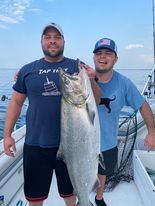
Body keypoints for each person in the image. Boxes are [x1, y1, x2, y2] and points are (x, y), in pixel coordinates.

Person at [3, 22, 100, 206]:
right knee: (35, 198)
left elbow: (96, 99)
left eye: (57, 37)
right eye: (48, 37)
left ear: (64, 41)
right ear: (41, 42)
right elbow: (16, 102)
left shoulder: (78, 66)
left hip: (73, 145)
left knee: (71, 195)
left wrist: (92, 80)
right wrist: (7, 134)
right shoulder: (27, 70)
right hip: (36, 144)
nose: (52, 41)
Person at [90, 37, 155, 206]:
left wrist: (152, 132)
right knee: (78, 172)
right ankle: (79, 199)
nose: (103, 57)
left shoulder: (123, 83)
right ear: (93, 57)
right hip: (83, 143)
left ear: (115, 58)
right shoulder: (83, 78)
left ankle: (99, 197)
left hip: (107, 142)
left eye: (108, 53)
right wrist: (23, 75)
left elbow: (143, 105)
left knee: (103, 172)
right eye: (99, 53)